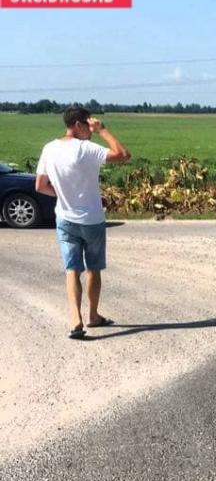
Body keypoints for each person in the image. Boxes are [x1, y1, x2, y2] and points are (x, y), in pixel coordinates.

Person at [34, 107, 131, 339]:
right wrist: (103, 131)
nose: (91, 128)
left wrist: (64, 195)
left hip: (65, 219)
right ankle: (93, 316)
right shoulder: (85, 149)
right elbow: (123, 154)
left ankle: (75, 318)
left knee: (72, 270)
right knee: (93, 269)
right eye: (88, 124)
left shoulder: (49, 148)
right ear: (78, 125)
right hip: (92, 220)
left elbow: (40, 186)